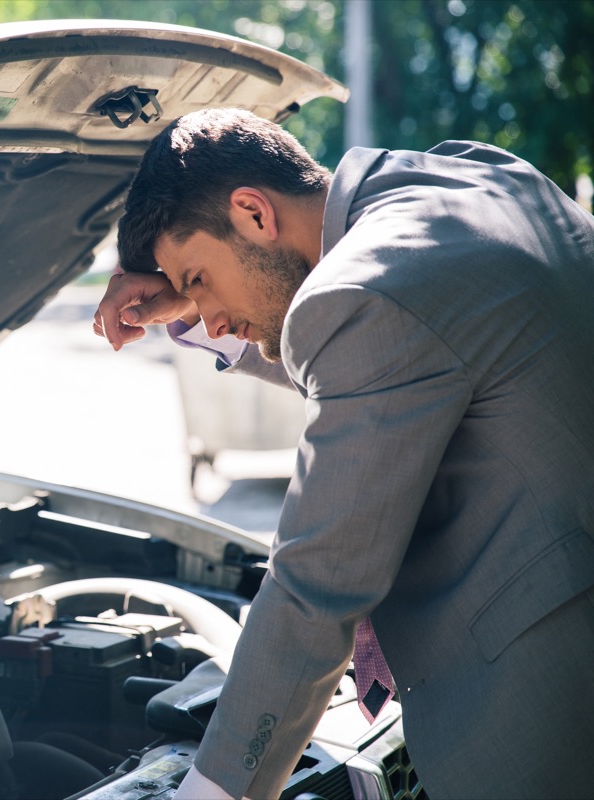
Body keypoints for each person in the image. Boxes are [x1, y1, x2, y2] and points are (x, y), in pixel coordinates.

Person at [93, 108, 594, 799]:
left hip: (548, 714)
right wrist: (188, 310)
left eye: (198, 279)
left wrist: (211, 792)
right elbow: (394, 352)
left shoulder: (364, 293)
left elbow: (316, 587)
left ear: (253, 214)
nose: (202, 312)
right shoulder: (476, 178)